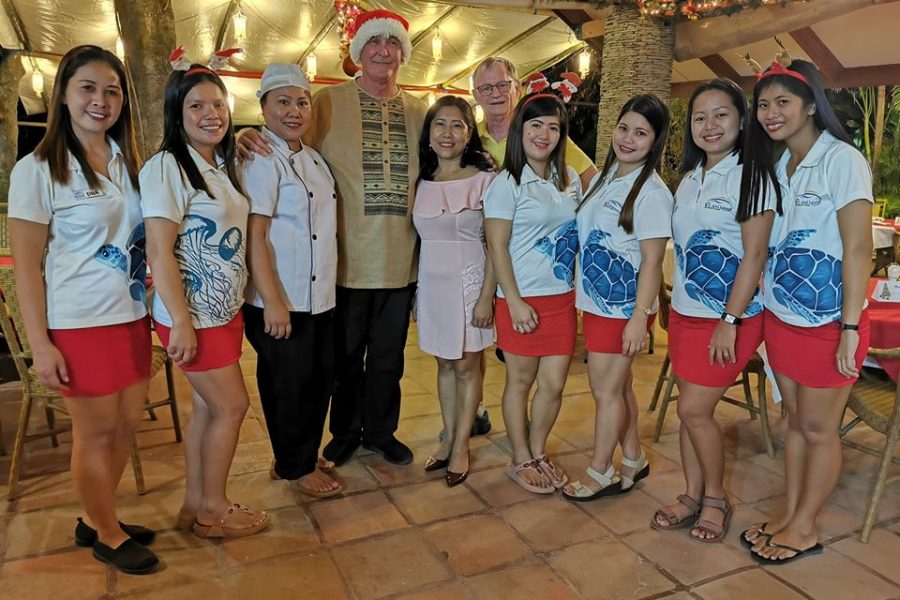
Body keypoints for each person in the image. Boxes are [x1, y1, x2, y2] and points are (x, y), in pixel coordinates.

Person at [237, 9, 425, 466]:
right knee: (343, 360)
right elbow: (285, 137)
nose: (383, 51)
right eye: (374, 41)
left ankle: (381, 431)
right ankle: (344, 432)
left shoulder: (421, 112)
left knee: (389, 359)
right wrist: (243, 137)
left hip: (401, 259)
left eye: (393, 43)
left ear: (403, 53)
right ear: (358, 51)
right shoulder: (324, 102)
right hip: (341, 263)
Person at [8, 45, 158, 574]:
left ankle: (96, 517)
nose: (101, 100)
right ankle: (108, 535)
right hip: (78, 324)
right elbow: (27, 268)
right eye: (88, 88)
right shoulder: (37, 169)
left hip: (130, 316)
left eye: (112, 91)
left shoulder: (128, 163)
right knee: (95, 433)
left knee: (125, 426)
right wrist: (40, 344)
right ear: (64, 96)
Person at [740, 59, 872, 563]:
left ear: (811, 105)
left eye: (783, 102)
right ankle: (790, 514)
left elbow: (857, 248)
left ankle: (806, 527)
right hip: (782, 317)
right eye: (763, 105)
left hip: (827, 322)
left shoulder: (842, 160)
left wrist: (850, 326)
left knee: (819, 429)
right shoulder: (780, 167)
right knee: (794, 423)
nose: (770, 113)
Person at [141, 63, 269, 539]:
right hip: (193, 315)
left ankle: (194, 503)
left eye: (218, 103)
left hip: (221, 309)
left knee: (207, 409)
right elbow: (159, 250)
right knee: (232, 407)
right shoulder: (167, 167)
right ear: (176, 114)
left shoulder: (217, 163)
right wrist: (180, 321)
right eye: (196, 105)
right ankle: (215, 510)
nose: (211, 113)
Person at [650, 79, 774, 542]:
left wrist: (729, 320)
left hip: (733, 317)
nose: (709, 125)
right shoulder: (689, 179)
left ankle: (716, 499)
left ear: (742, 120)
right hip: (686, 314)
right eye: (700, 117)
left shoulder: (753, 176)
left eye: (721, 114)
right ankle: (691, 494)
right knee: (689, 412)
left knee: (694, 409)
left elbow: (755, 256)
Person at [562, 94, 672, 502]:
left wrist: (639, 318)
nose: (628, 138)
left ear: (655, 141)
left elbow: (653, 262)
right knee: (619, 388)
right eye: (623, 128)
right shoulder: (607, 176)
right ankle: (633, 457)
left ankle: (600, 470)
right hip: (597, 304)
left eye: (641, 133)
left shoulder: (653, 193)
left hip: (623, 308)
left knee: (605, 391)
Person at [239, 64, 341, 497]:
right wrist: (273, 300)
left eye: (302, 102)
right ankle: (293, 467)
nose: (294, 111)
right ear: (263, 107)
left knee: (317, 380)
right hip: (279, 298)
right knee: (288, 385)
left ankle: (301, 453)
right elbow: (255, 236)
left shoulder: (314, 158)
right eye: (283, 102)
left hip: (319, 296)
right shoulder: (261, 159)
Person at [484, 93, 580, 494]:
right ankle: (520, 457)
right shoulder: (506, 184)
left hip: (562, 297)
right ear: (520, 130)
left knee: (554, 384)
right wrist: (514, 300)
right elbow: (496, 246)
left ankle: (538, 450)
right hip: (520, 299)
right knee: (520, 382)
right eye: (536, 125)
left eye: (553, 127)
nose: (544, 134)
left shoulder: (569, 178)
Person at [414, 96, 496, 487]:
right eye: (440, 124)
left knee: (466, 366)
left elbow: (497, 244)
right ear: (428, 133)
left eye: (457, 125)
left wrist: (486, 296)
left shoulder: (485, 180)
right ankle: (448, 438)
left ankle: (462, 444)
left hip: (470, 283)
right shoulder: (420, 179)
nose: (447, 133)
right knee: (444, 365)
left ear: (469, 134)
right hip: (432, 285)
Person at [472, 56, 598, 189]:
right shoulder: (467, 139)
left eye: (503, 85)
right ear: (475, 96)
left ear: (517, 89)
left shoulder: (543, 135)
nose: (495, 94)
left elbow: (593, 181)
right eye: (486, 88)